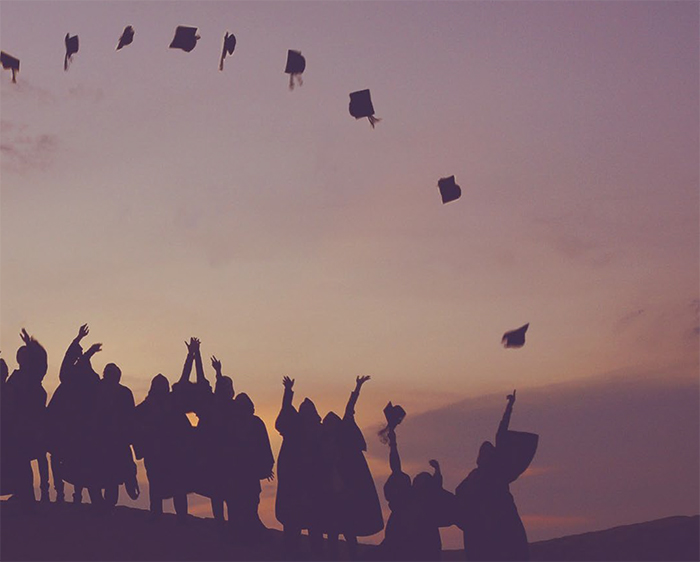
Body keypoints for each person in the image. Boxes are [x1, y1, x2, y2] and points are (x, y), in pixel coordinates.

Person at [455, 391, 538, 561]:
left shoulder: (497, 471)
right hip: (481, 526)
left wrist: (509, 408)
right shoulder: (474, 476)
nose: (484, 454)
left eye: (487, 451)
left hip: (502, 522)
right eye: (482, 451)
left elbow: (501, 434)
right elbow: (460, 494)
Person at [320, 376, 384, 560]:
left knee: (348, 530)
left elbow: (349, 411)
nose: (327, 424)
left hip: (346, 492)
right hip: (330, 493)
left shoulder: (344, 442)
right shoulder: (322, 444)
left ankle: (353, 558)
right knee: (332, 531)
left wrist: (357, 388)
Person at [47, 325, 105, 507]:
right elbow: (72, 362)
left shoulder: (82, 377)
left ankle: (73, 493)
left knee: (77, 459)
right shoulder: (74, 378)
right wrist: (81, 343)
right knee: (60, 457)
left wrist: (84, 347)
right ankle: (62, 492)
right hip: (67, 425)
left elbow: (74, 364)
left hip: (78, 426)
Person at [275, 376, 324, 559]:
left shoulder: (317, 434)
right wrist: (287, 393)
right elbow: (285, 413)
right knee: (293, 523)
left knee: (314, 525)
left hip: (311, 485)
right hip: (293, 484)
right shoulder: (293, 430)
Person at [133, 371, 193, 521]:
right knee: (157, 486)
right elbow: (133, 423)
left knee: (178, 487)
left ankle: (180, 517)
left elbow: (183, 383)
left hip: (173, 454)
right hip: (155, 454)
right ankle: (159, 516)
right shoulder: (147, 407)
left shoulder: (172, 403)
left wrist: (191, 356)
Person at [2, 330, 49, 503]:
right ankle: (24, 494)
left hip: (33, 426)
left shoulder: (34, 377)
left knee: (37, 458)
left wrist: (30, 343)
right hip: (16, 427)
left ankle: (42, 493)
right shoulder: (14, 379)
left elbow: (42, 361)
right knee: (20, 462)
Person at [229, 391, 275, 543]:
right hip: (236, 472)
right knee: (237, 506)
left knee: (250, 505)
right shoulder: (232, 424)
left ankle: (250, 537)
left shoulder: (256, 423)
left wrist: (266, 466)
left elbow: (264, 446)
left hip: (250, 473)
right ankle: (239, 537)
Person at [94, 362, 140, 507]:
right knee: (101, 475)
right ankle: (102, 504)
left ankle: (107, 506)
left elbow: (131, 418)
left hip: (115, 442)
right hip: (100, 440)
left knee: (111, 477)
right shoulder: (97, 389)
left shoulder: (123, 393)